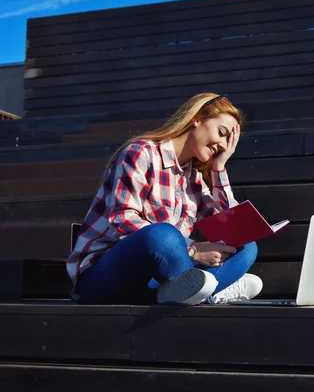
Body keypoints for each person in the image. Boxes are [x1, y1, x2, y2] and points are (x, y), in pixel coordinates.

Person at [67, 93, 262, 305]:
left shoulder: (194, 178)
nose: (223, 145)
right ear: (197, 118)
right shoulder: (141, 152)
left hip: (157, 280)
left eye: (229, 141)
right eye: (221, 133)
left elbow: (231, 227)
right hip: (106, 275)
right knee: (163, 234)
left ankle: (188, 293)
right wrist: (194, 251)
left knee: (245, 246)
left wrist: (219, 167)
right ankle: (210, 293)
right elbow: (122, 219)